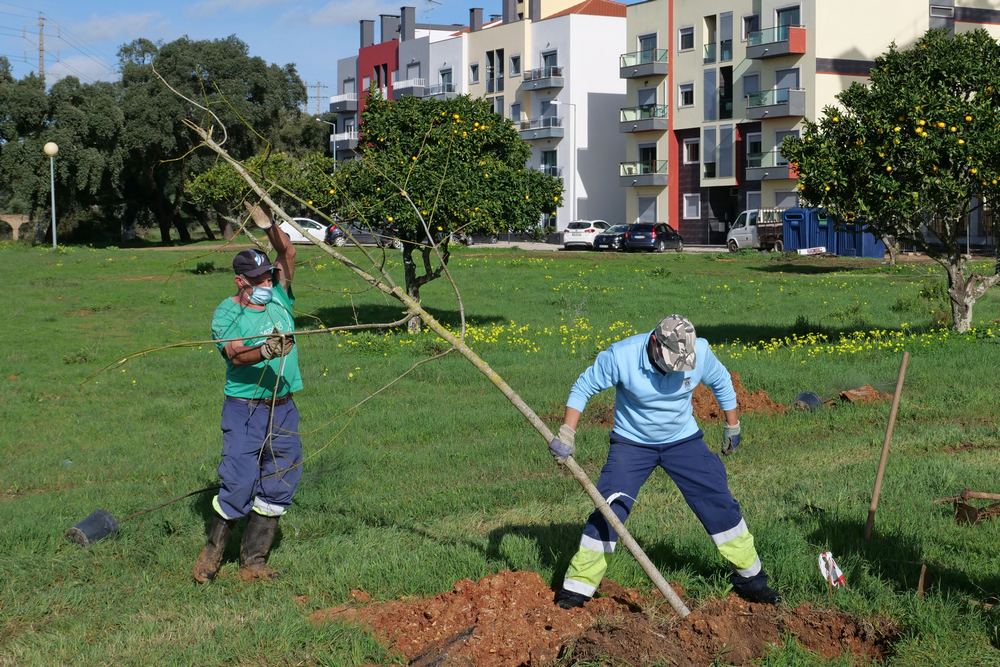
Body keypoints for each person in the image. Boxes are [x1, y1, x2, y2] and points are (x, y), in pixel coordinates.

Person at [549, 314, 780, 608]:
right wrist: (567, 432)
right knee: (610, 508)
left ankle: (752, 579)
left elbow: (721, 381)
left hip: (683, 441)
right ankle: (577, 589)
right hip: (631, 443)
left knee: (717, 500)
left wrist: (732, 425)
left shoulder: (700, 352)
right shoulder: (621, 356)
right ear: (655, 343)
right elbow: (584, 387)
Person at [193, 204, 303, 583]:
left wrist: (269, 225)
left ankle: (253, 562)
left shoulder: (279, 297)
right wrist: (268, 350)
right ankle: (211, 554)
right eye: (258, 279)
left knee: (280, 480)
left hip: (283, 406)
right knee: (239, 482)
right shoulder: (226, 314)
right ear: (241, 282)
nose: (267, 284)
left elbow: (288, 253)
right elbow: (235, 354)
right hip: (245, 409)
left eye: (268, 277)